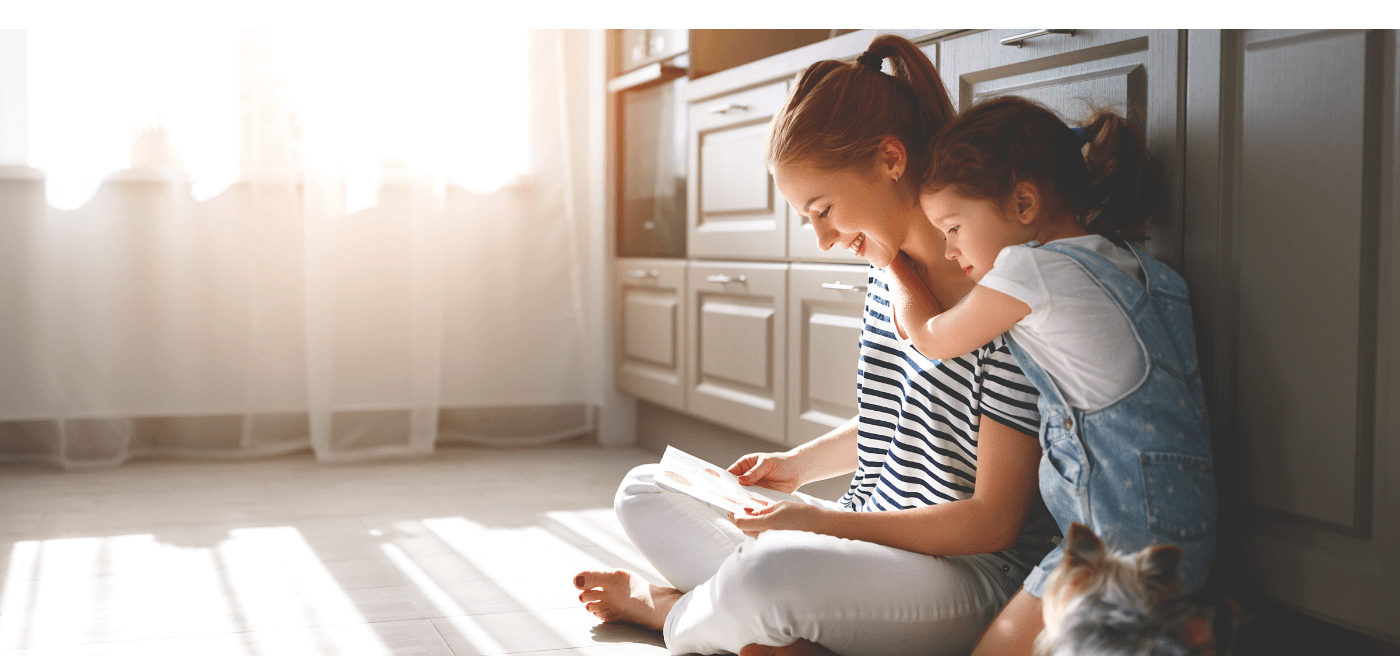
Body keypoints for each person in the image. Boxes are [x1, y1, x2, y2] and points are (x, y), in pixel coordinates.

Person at [573, 35, 1060, 656]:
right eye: (809, 219)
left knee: (768, 578)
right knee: (646, 488)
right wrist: (796, 467)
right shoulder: (890, 276)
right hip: (864, 541)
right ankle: (770, 627)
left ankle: (671, 613)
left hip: (965, 574)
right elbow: (902, 417)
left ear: (890, 158)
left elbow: (993, 522)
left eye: (824, 209)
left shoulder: (1001, 288)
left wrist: (819, 523)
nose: (824, 239)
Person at [884, 95, 1217, 655]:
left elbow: (932, 339)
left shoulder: (1030, 268)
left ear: (1023, 202)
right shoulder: (1148, 271)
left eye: (954, 226)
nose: (947, 249)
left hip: (1115, 543)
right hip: (1191, 535)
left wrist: (892, 265)